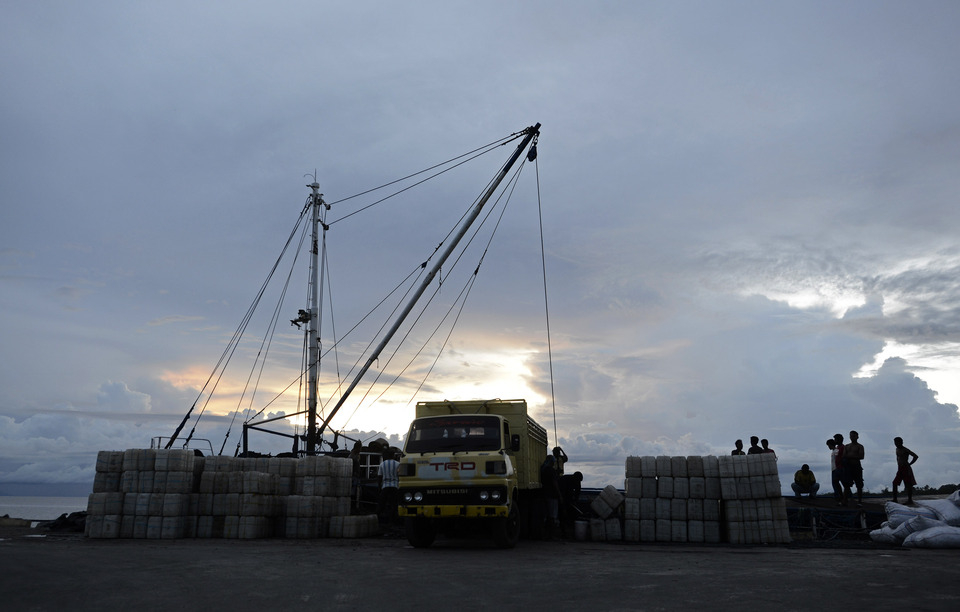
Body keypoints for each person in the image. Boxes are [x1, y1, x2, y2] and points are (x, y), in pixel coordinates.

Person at [892, 437, 919, 505]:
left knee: (908, 485)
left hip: (906, 468)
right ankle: (895, 499)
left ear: (901, 442)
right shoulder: (897, 449)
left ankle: (910, 500)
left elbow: (915, 456)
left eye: (897, 442)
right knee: (895, 483)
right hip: (900, 468)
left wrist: (910, 464)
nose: (896, 444)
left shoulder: (905, 450)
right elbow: (897, 459)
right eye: (895, 443)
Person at [377, 449, 400, 526]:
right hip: (395, 486)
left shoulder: (382, 464)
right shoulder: (398, 464)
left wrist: (379, 487)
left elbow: (379, 477)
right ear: (393, 455)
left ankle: (379, 520)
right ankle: (394, 521)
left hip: (385, 487)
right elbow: (400, 476)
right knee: (395, 504)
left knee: (382, 504)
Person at [540, 455, 561, 537]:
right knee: (553, 515)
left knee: (547, 514)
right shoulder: (551, 471)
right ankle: (551, 534)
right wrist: (559, 495)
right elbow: (554, 483)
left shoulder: (543, 469)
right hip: (552, 495)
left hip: (545, 494)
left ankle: (546, 534)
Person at [558, 471, 584, 538]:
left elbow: (577, 492)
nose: (579, 482)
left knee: (570, 515)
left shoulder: (576, 481)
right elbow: (562, 492)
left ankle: (568, 531)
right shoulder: (565, 480)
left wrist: (575, 501)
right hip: (562, 498)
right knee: (562, 515)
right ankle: (563, 531)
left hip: (568, 499)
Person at [844, 430, 865, 506]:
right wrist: (851, 457)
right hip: (849, 467)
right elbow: (844, 455)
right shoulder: (847, 446)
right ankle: (845, 501)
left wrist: (849, 456)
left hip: (857, 467)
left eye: (853, 436)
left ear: (857, 437)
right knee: (846, 484)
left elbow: (861, 456)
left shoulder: (860, 446)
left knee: (859, 484)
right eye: (851, 436)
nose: (852, 437)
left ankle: (859, 501)